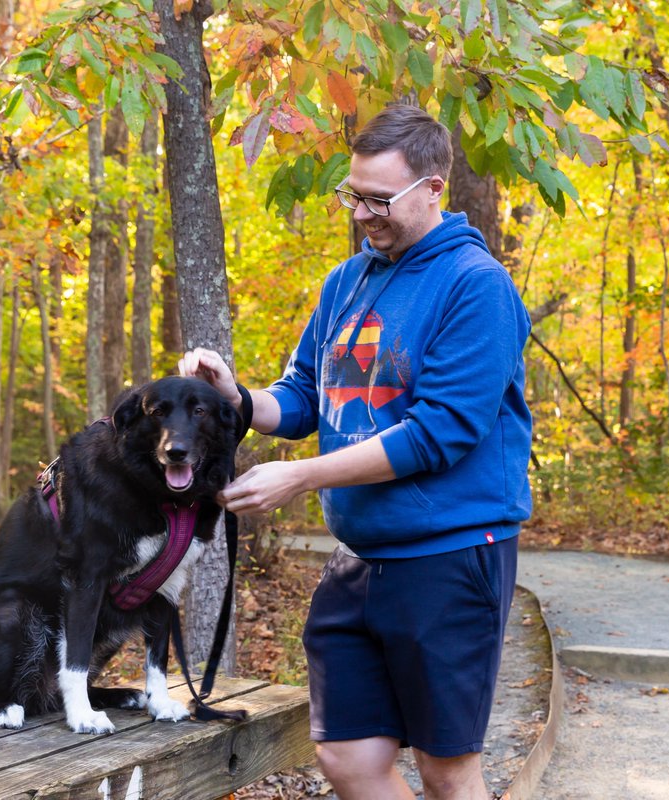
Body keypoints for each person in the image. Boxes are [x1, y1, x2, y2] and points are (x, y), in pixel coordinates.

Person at [180, 104, 531, 800]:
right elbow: (307, 395)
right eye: (354, 195)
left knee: (446, 770)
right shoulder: (348, 281)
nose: (362, 212)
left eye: (379, 199)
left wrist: (303, 477)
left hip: (448, 559)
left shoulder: (475, 284)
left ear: (432, 190)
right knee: (346, 756)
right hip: (358, 562)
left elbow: (439, 432)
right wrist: (238, 399)